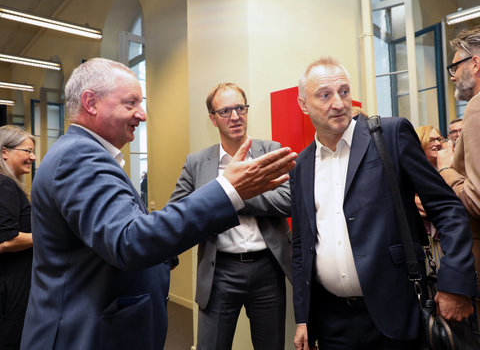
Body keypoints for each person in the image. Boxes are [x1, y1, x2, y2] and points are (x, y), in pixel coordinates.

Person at [20, 58, 297, 350]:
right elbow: (129, 238)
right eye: (131, 103)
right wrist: (229, 190)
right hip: (83, 332)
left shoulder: (87, 155)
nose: (142, 114)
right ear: (91, 103)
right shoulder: (79, 158)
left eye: (240, 108)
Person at [291, 57, 476, 350]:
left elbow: (447, 209)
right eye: (324, 95)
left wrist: (455, 284)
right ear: (303, 104)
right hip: (332, 323)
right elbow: (302, 245)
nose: (338, 103)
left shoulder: (389, 136)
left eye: (343, 91)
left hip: (397, 314)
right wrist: (303, 317)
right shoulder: (301, 165)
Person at [169, 83, 292, 350]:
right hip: (219, 271)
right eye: (225, 111)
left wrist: (233, 197)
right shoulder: (197, 163)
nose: (235, 116)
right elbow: (178, 212)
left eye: (240, 108)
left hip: (268, 269)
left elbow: (288, 200)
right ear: (213, 119)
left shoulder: (270, 151)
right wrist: (230, 195)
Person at [437, 25, 480, 329]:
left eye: (456, 65)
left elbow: (477, 201)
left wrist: (445, 169)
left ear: (475, 65)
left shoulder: (477, 107)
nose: (452, 75)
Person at [0, 125, 36, 350]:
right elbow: (5, 240)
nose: (32, 157)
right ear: (4, 151)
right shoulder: (4, 185)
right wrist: (48, 235)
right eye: (27, 151)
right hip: (11, 286)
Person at [414, 125, 444, 273]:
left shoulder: (450, 168)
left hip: (448, 236)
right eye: (431, 140)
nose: (437, 143)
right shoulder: (412, 171)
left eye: (439, 139)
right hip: (425, 238)